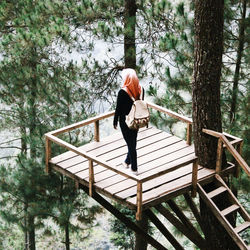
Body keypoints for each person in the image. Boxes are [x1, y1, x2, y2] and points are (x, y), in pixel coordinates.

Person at [113, 68, 144, 175]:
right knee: (132, 141)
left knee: (130, 144)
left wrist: (115, 121)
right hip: (137, 119)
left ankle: (134, 168)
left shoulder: (122, 92)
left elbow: (118, 109)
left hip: (125, 121)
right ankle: (127, 161)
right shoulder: (140, 89)